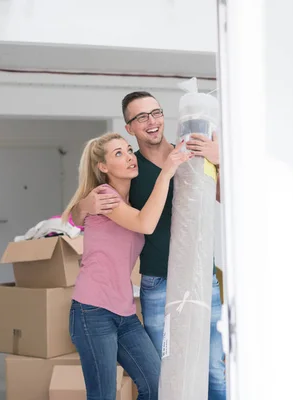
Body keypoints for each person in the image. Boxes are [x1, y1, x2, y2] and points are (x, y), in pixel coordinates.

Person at [71, 92, 227, 400]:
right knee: (166, 375)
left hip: (197, 277)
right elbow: (111, 215)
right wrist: (83, 206)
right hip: (154, 283)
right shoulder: (132, 171)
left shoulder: (193, 151)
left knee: (212, 369)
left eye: (156, 113)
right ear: (130, 127)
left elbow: (228, 199)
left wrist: (223, 161)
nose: (152, 121)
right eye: (141, 117)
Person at [61, 132, 192, 400]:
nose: (130, 157)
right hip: (93, 311)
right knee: (103, 395)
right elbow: (145, 224)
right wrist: (165, 173)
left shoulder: (127, 204)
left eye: (128, 150)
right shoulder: (105, 195)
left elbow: (139, 219)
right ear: (103, 167)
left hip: (125, 314)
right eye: (118, 153)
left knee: (155, 386)